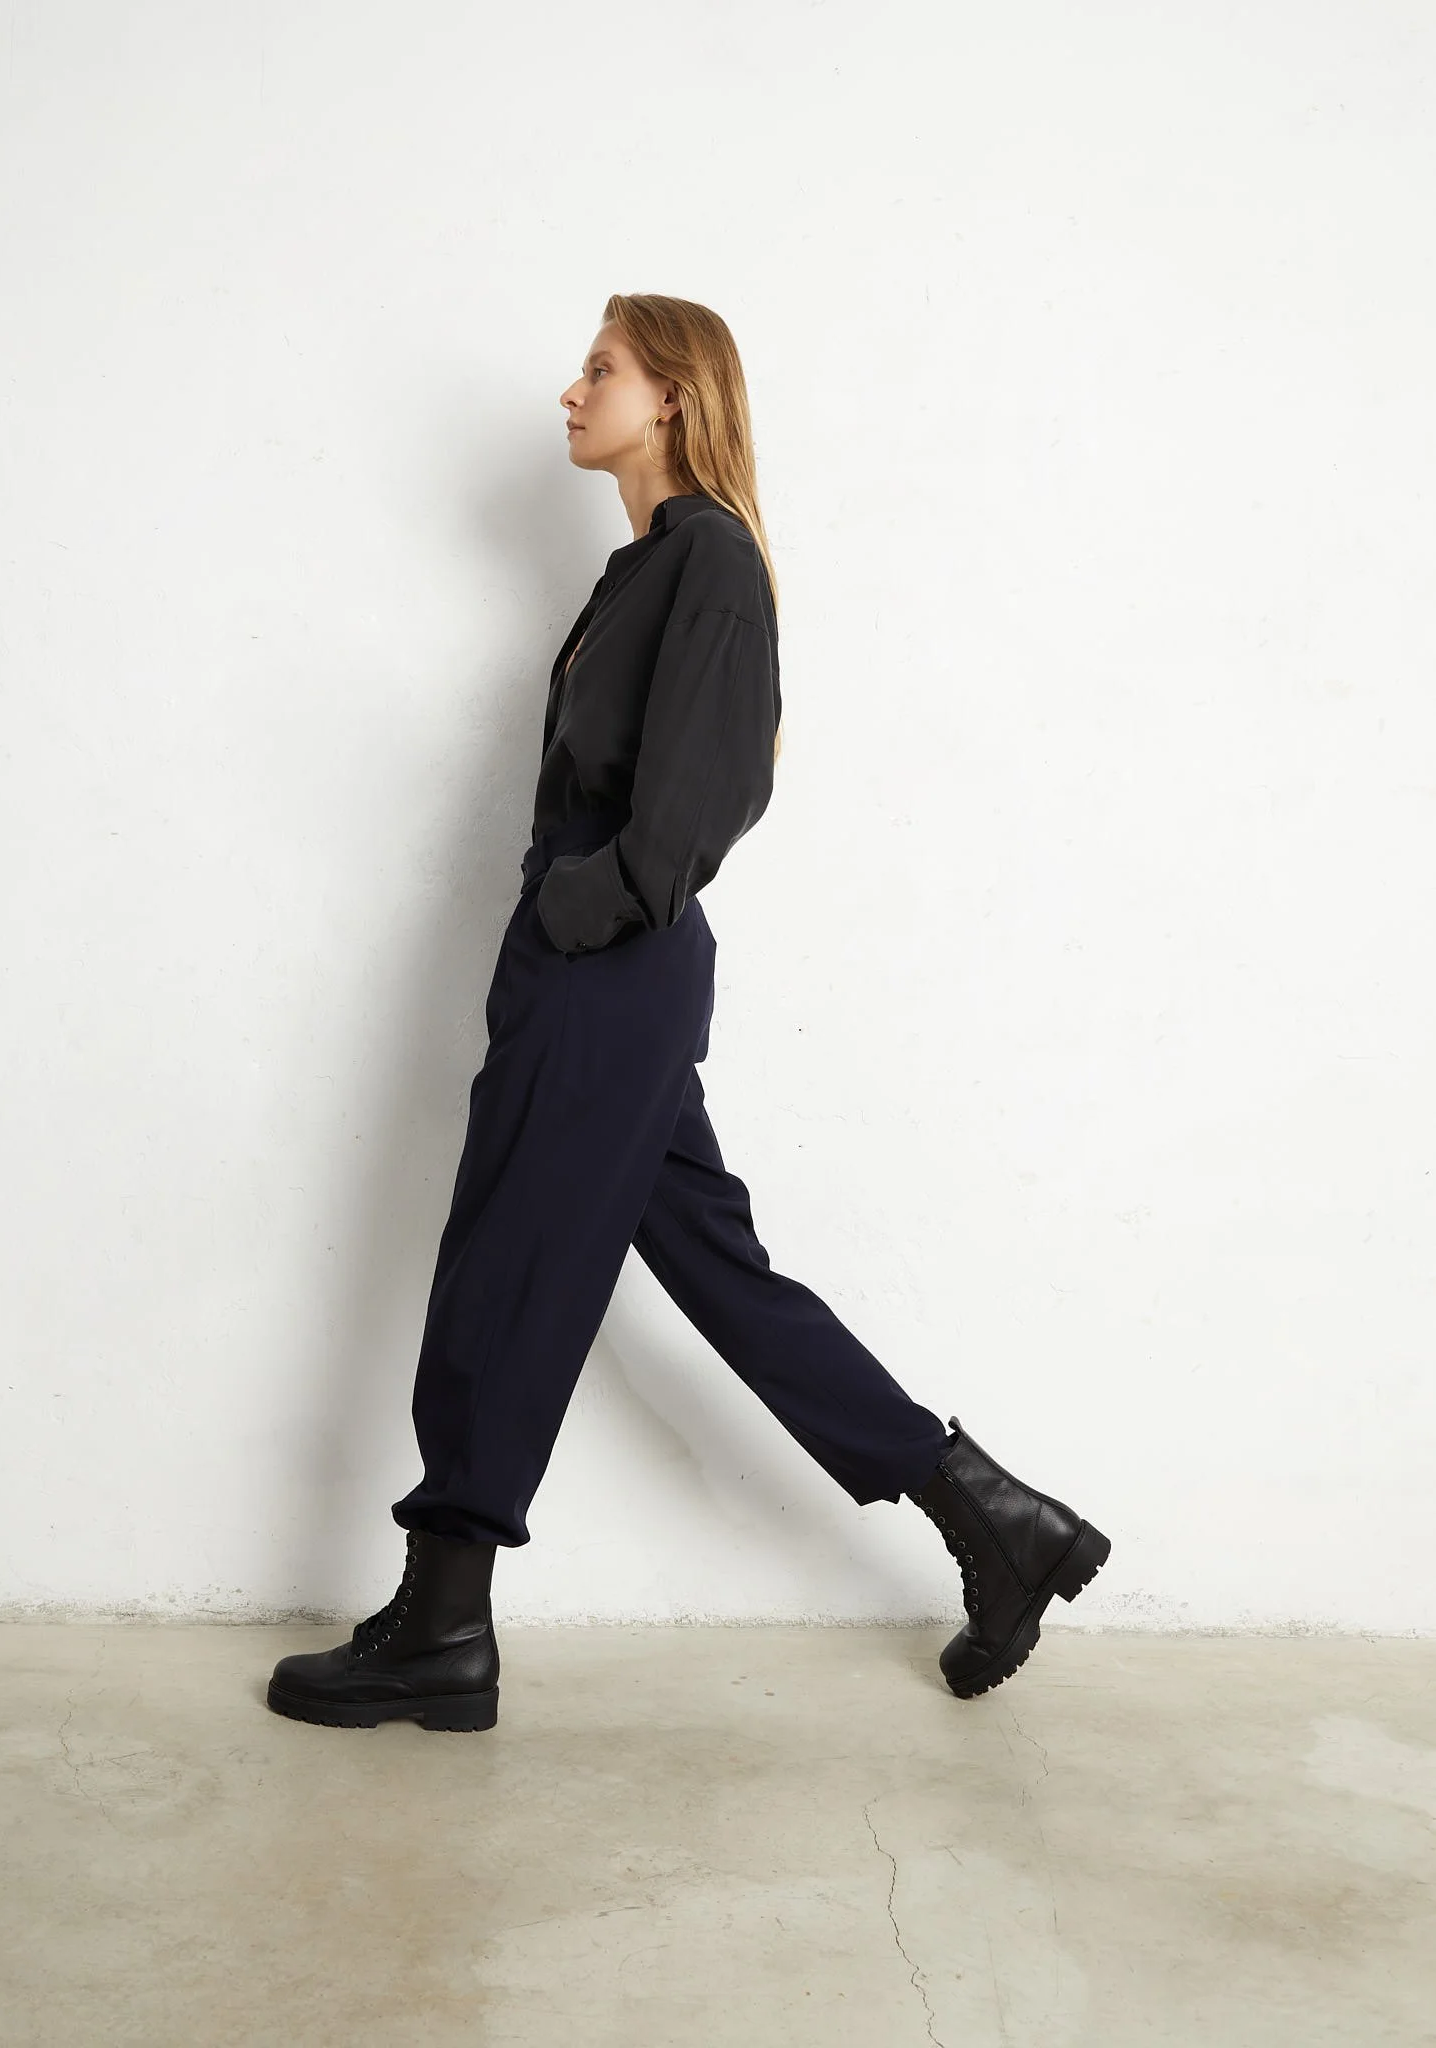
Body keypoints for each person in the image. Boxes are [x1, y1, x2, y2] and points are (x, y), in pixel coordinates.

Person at [268, 294, 1109, 1734]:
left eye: (599, 368)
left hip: (607, 970)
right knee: (720, 1276)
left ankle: (445, 1625)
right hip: (603, 972)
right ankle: (994, 1516)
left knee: (506, 1273)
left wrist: (569, 915)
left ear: (671, 396)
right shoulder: (651, 566)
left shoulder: (707, 560)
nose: (570, 391)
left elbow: (705, 801)